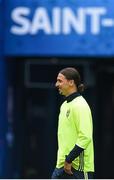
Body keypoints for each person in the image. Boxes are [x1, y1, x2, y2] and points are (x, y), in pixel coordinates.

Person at [51, 67, 94, 179]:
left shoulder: (81, 105)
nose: (57, 84)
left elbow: (85, 137)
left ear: (71, 82)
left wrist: (69, 159)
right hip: (61, 166)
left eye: (60, 81)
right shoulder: (64, 105)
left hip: (77, 168)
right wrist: (64, 162)